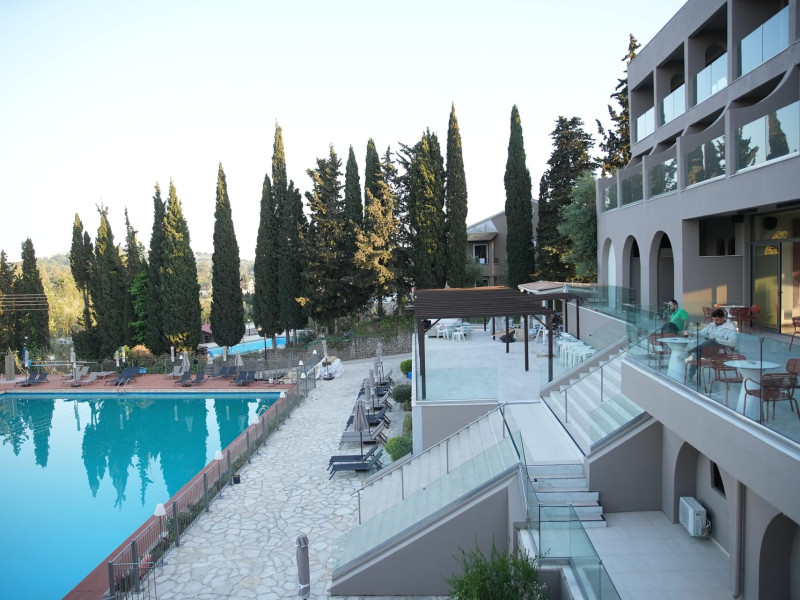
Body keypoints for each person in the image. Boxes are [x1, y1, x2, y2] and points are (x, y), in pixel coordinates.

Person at [686, 308, 737, 377]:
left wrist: (717, 340)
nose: (715, 322)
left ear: (723, 318)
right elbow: (702, 333)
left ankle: (689, 352)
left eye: (717, 320)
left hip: (722, 351)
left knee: (711, 341)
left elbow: (732, 343)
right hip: (709, 349)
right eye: (713, 320)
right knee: (698, 352)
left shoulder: (730, 327)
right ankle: (690, 376)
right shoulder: (712, 325)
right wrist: (692, 334)